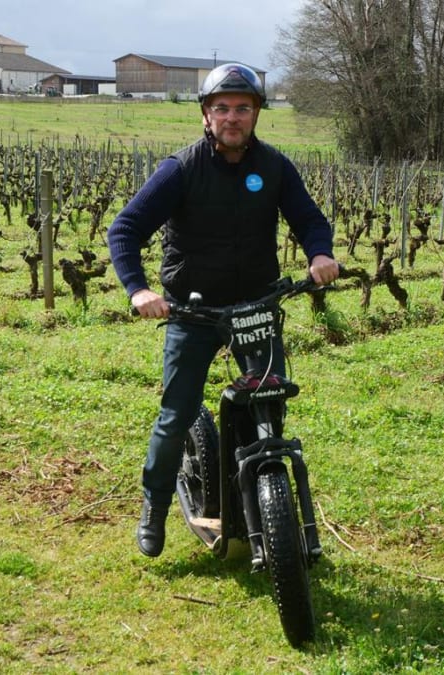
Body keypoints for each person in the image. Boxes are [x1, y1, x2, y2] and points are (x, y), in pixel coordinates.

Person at [107, 63, 339, 557]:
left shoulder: (274, 167)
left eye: (242, 108)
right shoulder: (181, 169)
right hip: (193, 311)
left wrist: (320, 253)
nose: (232, 117)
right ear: (206, 115)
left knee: (267, 406)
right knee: (177, 413)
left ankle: (263, 506)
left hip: (255, 307)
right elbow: (124, 230)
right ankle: (154, 506)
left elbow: (309, 219)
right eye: (222, 108)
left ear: (256, 114)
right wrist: (138, 290)